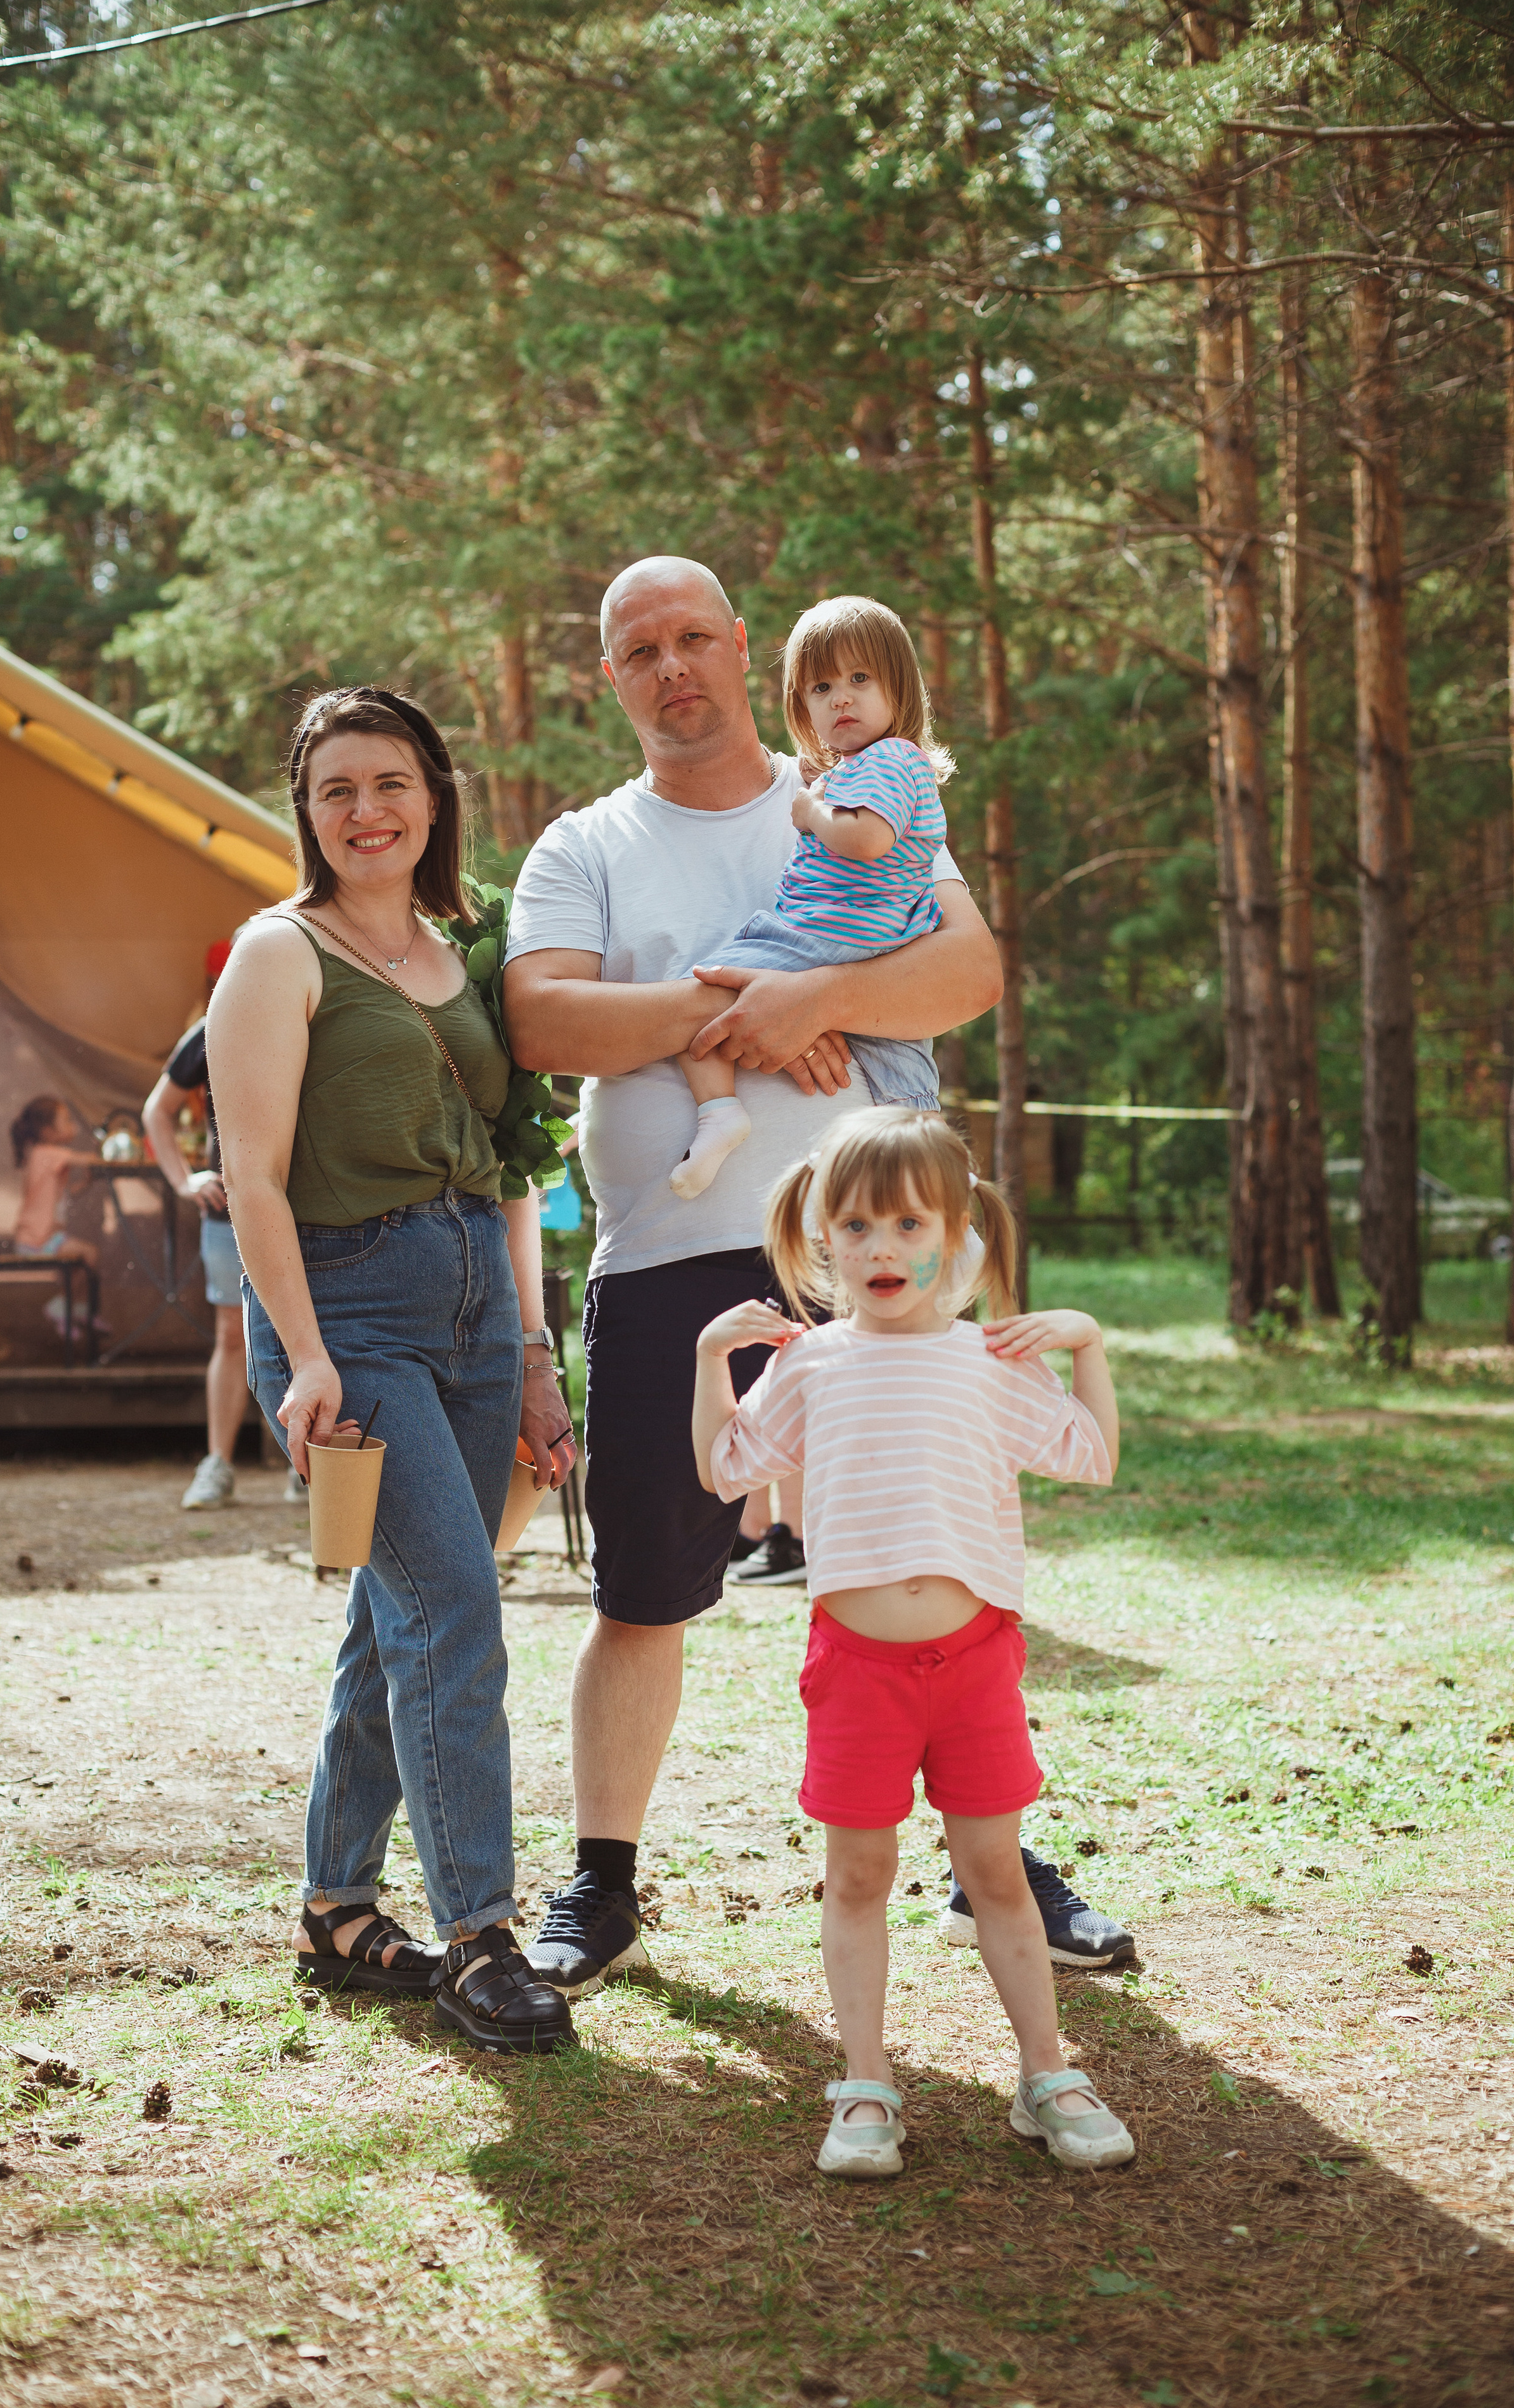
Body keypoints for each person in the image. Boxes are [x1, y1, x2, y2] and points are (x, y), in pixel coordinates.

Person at [502, 554, 1127, 2003]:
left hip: (879, 1267)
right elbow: (543, 1014)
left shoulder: (857, 791)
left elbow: (964, 967)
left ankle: (1001, 1868)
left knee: (940, 1566)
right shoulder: (586, 843)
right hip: (672, 1260)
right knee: (645, 1590)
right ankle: (600, 1881)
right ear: (612, 678)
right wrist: (731, 1006)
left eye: (690, 638)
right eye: (636, 649)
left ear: (740, 649)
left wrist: (821, 996)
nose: (670, 668)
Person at [209, 684, 578, 2054]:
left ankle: (337, 1904)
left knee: (403, 1613)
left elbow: (512, 1169)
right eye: (335, 792)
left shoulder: (465, 949)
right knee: (454, 1607)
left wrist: (534, 1352)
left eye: (390, 785)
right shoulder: (276, 952)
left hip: (479, 1314)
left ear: (435, 795)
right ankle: (482, 1935)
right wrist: (302, 1356)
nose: (366, 812)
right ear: (306, 814)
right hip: (346, 1317)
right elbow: (249, 1175)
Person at [696, 1106, 1136, 2178]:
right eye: (853, 1227)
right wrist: (714, 1358)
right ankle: (863, 2086)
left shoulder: (989, 1360)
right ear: (821, 1240)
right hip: (858, 1672)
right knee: (858, 1875)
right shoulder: (810, 1363)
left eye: (905, 1223)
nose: (880, 1247)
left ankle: (1047, 2073)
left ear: (957, 1232)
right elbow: (727, 1470)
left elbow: (1090, 1456)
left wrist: (1087, 1346)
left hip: (975, 1663)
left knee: (995, 1871)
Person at [670, 596, 948, 1200]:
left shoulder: (887, 759)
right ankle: (944, 1197)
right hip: (879, 940)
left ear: (899, 688)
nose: (840, 698)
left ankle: (719, 1113)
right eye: (821, 688)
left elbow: (868, 839)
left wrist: (813, 811)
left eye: (859, 679)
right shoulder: (879, 765)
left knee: (707, 993)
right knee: (902, 1075)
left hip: (833, 931)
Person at [145, 941, 269, 1513]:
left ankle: (310, 1464)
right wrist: (183, 1181)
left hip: (312, 1208)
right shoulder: (210, 1027)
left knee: (324, 1329)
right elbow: (157, 1111)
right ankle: (217, 1463)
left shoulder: (317, 1014)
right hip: (230, 1208)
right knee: (231, 1333)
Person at [10, 1096, 103, 1337]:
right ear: (48, 1131)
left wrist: (84, 1184)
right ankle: (62, 1308)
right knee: (88, 1254)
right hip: (37, 1240)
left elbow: (60, 1196)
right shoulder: (45, 1153)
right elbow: (86, 1159)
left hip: (42, 1237)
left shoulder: (43, 1155)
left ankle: (76, 1310)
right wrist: (102, 1153)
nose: (73, 1126)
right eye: (67, 1121)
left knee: (84, 1259)